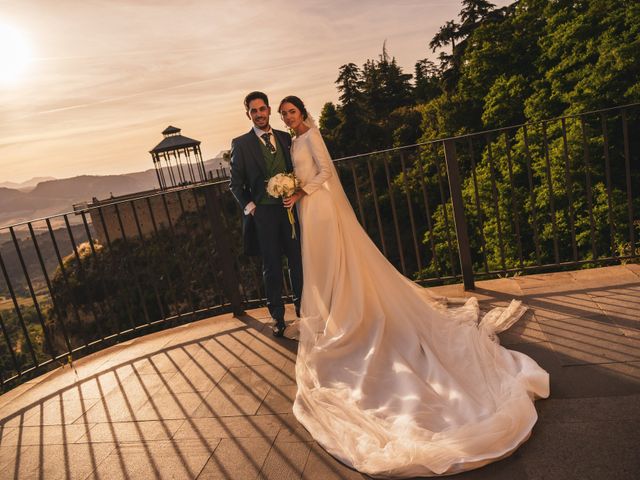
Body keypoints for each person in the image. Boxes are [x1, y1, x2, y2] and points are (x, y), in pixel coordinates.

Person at [277, 95, 550, 478]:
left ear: (302, 112)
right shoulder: (291, 141)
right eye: (284, 114)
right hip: (307, 209)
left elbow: (326, 173)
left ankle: (350, 313)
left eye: (292, 112)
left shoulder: (311, 136)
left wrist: (303, 190)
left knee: (334, 262)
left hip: (320, 206)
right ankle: (334, 313)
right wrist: (293, 192)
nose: (289, 117)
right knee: (319, 267)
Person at [229, 91, 303, 337]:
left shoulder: (285, 138)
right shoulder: (241, 144)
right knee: (271, 266)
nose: (259, 114)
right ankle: (278, 318)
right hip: (263, 215)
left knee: (297, 261)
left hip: (290, 209)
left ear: (269, 110)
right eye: (254, 110)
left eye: (262, 109)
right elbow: (235, 184)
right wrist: (251, 208)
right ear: (248, 114)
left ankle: (303, 310)